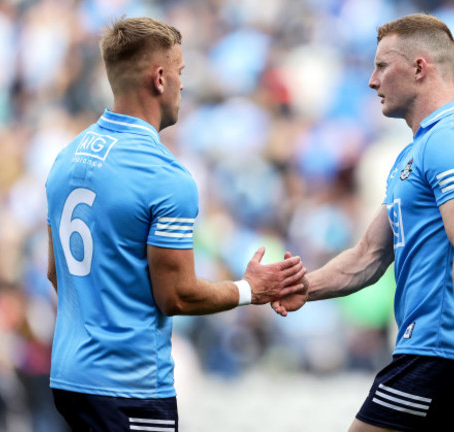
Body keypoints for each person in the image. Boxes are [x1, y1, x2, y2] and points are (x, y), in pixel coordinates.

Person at [45, 17, 306, 431]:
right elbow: (177, 296)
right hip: (130, 386)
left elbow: (54, 271)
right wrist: (250, 290)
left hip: (69, 377)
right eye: (182, 72)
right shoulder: (165, 175)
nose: (184, 84)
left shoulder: (67, 157)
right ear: (160, 78)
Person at [273, 13, 454, 432]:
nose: (372, 81)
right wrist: (300, 287)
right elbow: (369, 256)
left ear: (420, 68)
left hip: (442, 355)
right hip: (450, 355)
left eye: (382, 66)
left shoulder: (452, 141)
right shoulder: (417, 151)